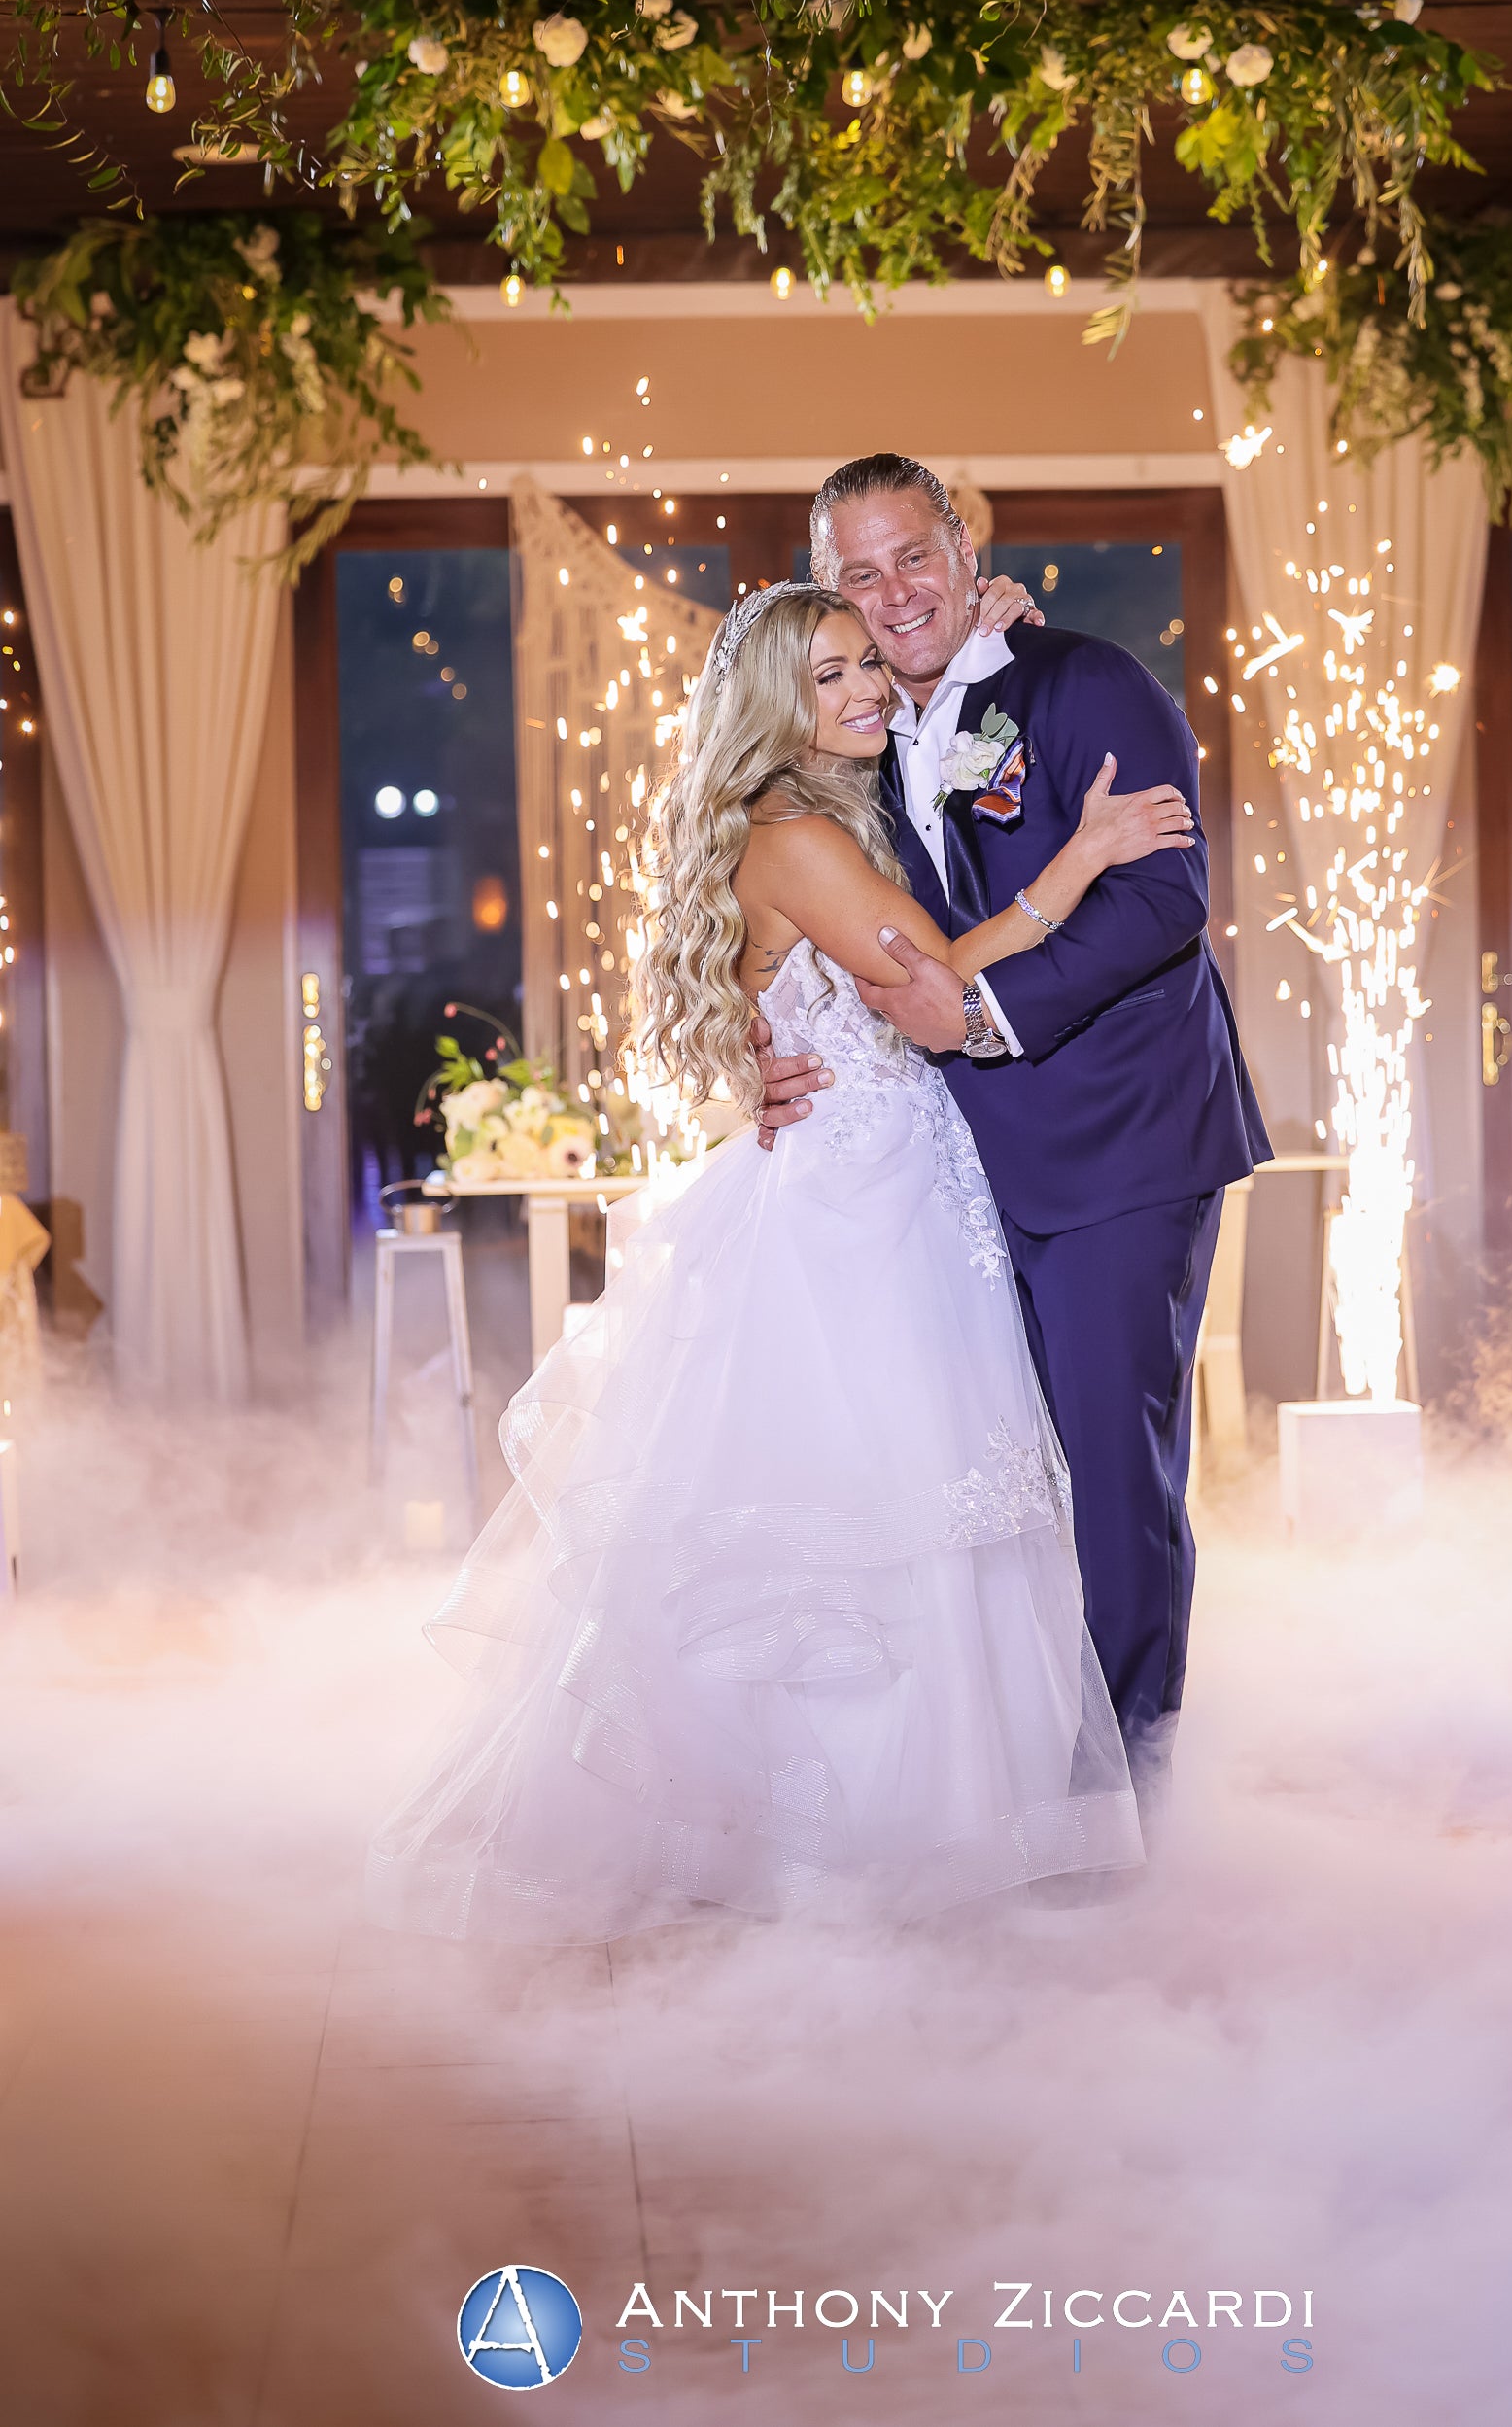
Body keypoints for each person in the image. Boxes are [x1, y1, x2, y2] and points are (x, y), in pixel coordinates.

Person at [367, 578, 1195, 1942]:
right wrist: (1086, 854)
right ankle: (853, 1846)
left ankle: (927, 1833)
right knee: (862, 1527)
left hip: (890, 1183)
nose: (868, 684)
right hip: (854, 1220)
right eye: (829, 673)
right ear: (772, 706)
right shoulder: (797, 832)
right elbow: (933, 981)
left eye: (869, 660)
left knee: (913, 1515)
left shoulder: (818, 817)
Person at [754, 457, 1269, 1794]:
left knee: (1108, 1478)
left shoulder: (1083, 681)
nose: (893, 594)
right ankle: (1016, 1771)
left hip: (1117, 1148)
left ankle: (1125, 1793)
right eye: (858, 575)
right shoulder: (850, 746)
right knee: (998, 1486)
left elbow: (1162, 903)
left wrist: (976, 1012)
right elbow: (811, 935)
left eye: (912, 556)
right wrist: (756, 1043)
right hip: (957, 1178)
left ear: (962, 540)